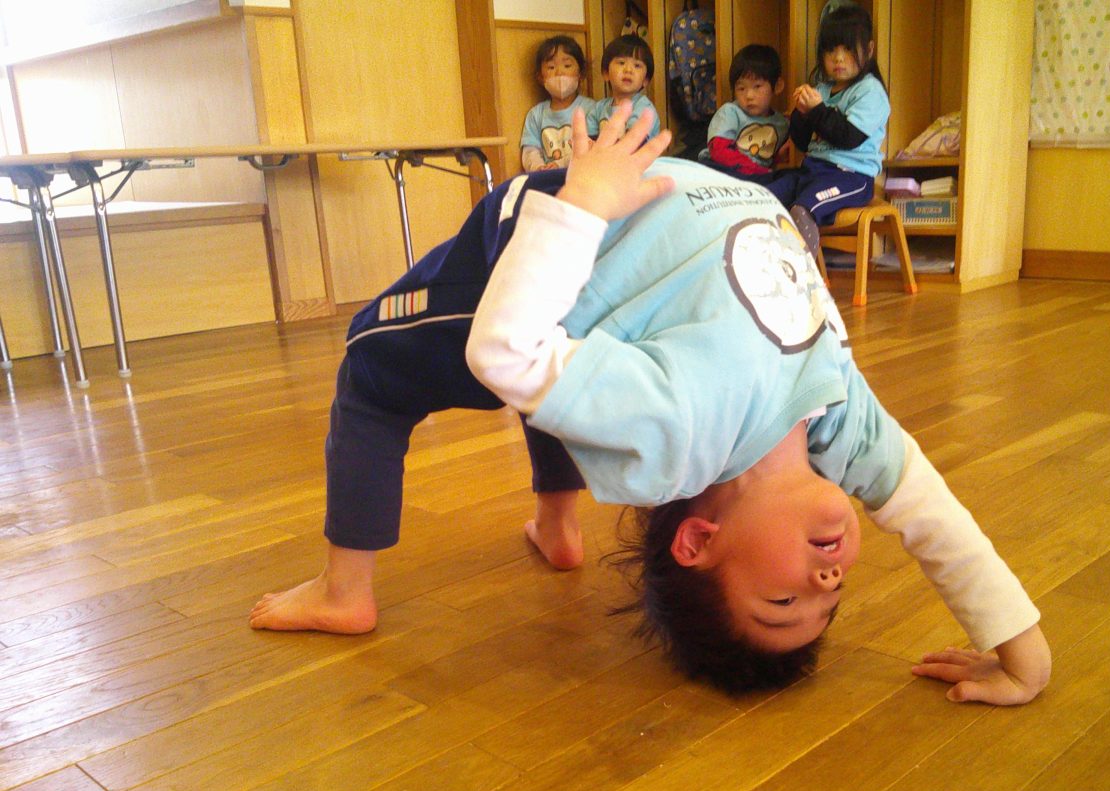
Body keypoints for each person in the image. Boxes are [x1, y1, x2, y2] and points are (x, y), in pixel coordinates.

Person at [252, 102, 1051, 707]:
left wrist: (582, 206)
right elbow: (931, 515)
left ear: (699, 540)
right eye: (831, 597)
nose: (829, 575)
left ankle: (344, 592)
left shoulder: (679, 428)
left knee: (370, 367)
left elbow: (505, 351)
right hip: (636, 206)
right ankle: (557, 525)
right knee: (578, 383)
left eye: (785, 599)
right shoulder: (837, 423)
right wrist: (1023, 652)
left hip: (538, 236)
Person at [771, 4, 890, 255]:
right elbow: (803, 142)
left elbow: (847, 137)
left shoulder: (870, 91)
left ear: (869, 49)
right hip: (813, 170)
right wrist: (801, 113)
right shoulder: (823, 90)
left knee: (802, 210)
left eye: (848, 49)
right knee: (765, 197)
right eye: (830, 50)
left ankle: (803, 273)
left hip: (852, 176)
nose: (838, 58)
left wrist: (816, 110)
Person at [700, 44, 789, 183]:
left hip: (755, 178)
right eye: (741, 88)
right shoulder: (730, 112)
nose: (749, 95)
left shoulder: (782, 124)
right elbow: (719, 151)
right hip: (721, 169)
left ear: (777, 86)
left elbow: (768, 156)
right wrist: (758, 172)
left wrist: (780, 156)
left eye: (757, 86)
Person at [520, 35, 595, 172]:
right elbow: (530, 150)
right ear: (540, 77)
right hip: (548, 178)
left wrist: (560, 164)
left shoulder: (591, 109)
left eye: (567, 66)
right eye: (551, 67)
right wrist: (538, 167)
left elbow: (592, 147)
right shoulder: (535, 115)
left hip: (582, 176)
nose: (559, 72)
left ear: (580, 73)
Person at [586, 34, 660, 139]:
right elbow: (588, 140)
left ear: (645, 80)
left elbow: (634, 140)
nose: (628, 70)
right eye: (621, 63)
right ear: (606, 73)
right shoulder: (598, 108)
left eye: (637, 65)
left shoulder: (644, 107)